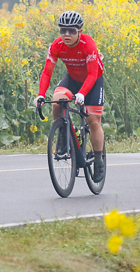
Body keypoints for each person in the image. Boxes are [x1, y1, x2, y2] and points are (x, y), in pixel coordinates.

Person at [33, 10, 106, 181]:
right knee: (57, 102)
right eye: (63, 30)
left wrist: (82, 93)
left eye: (71, 31)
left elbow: (92, 74)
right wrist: (41, 95)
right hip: (72, 79)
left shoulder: (88, 45)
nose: (67, 34)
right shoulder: (56, 45)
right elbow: (47, 72)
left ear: (79, 31)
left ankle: (98, 160)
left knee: (93, 120)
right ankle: (63, 134)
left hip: (93, 80)